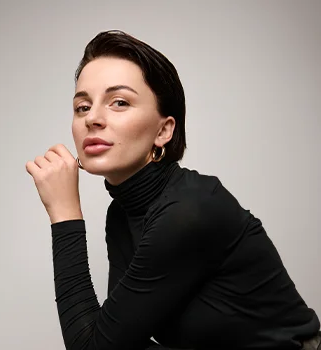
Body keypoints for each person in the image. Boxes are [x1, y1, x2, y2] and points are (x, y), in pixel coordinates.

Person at [25, 30, 320, 350]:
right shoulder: (123, 213)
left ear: (164, 130)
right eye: (82, 106)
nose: (93, 118)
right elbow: (117, 337)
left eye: (119, 102)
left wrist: (65, 213)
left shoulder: (190, 210)